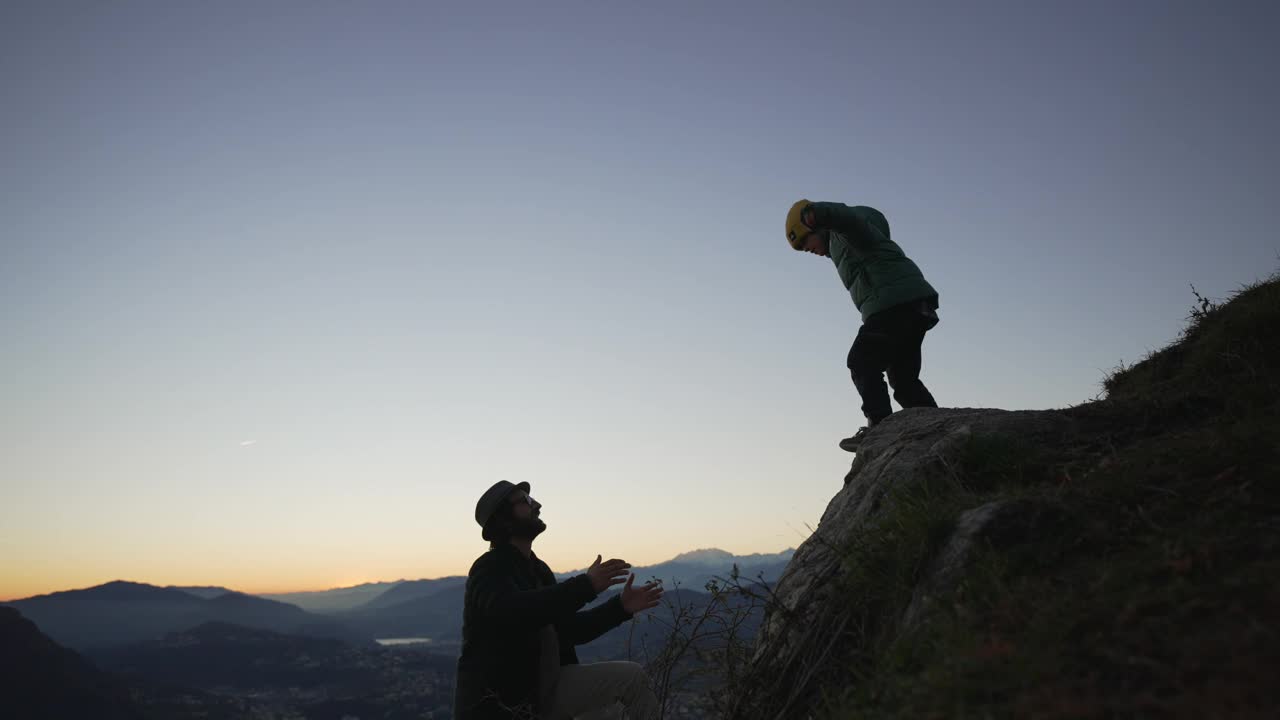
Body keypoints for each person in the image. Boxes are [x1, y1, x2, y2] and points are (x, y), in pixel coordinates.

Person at [454, 480, 664, 720]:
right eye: (526, 501)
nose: (538, 505)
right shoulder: (489, 567)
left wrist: (620, 608)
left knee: (610, 712)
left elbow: (566, 630)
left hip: (542, 689)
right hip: (502, 705)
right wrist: (585, 586)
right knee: (631, 680)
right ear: (503, 518)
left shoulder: (538, 569)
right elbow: (511, 611)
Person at [785, 200, 941, 451]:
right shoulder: (848, 249)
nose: (809, 250)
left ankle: (880, 427)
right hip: (913, 308)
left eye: (806, 242)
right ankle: (938, 428)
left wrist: (818, 214)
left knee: (861, 361)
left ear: (818, 228)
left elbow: (848, 219)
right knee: (904, 380)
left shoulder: (847, 235)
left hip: (894, 307)